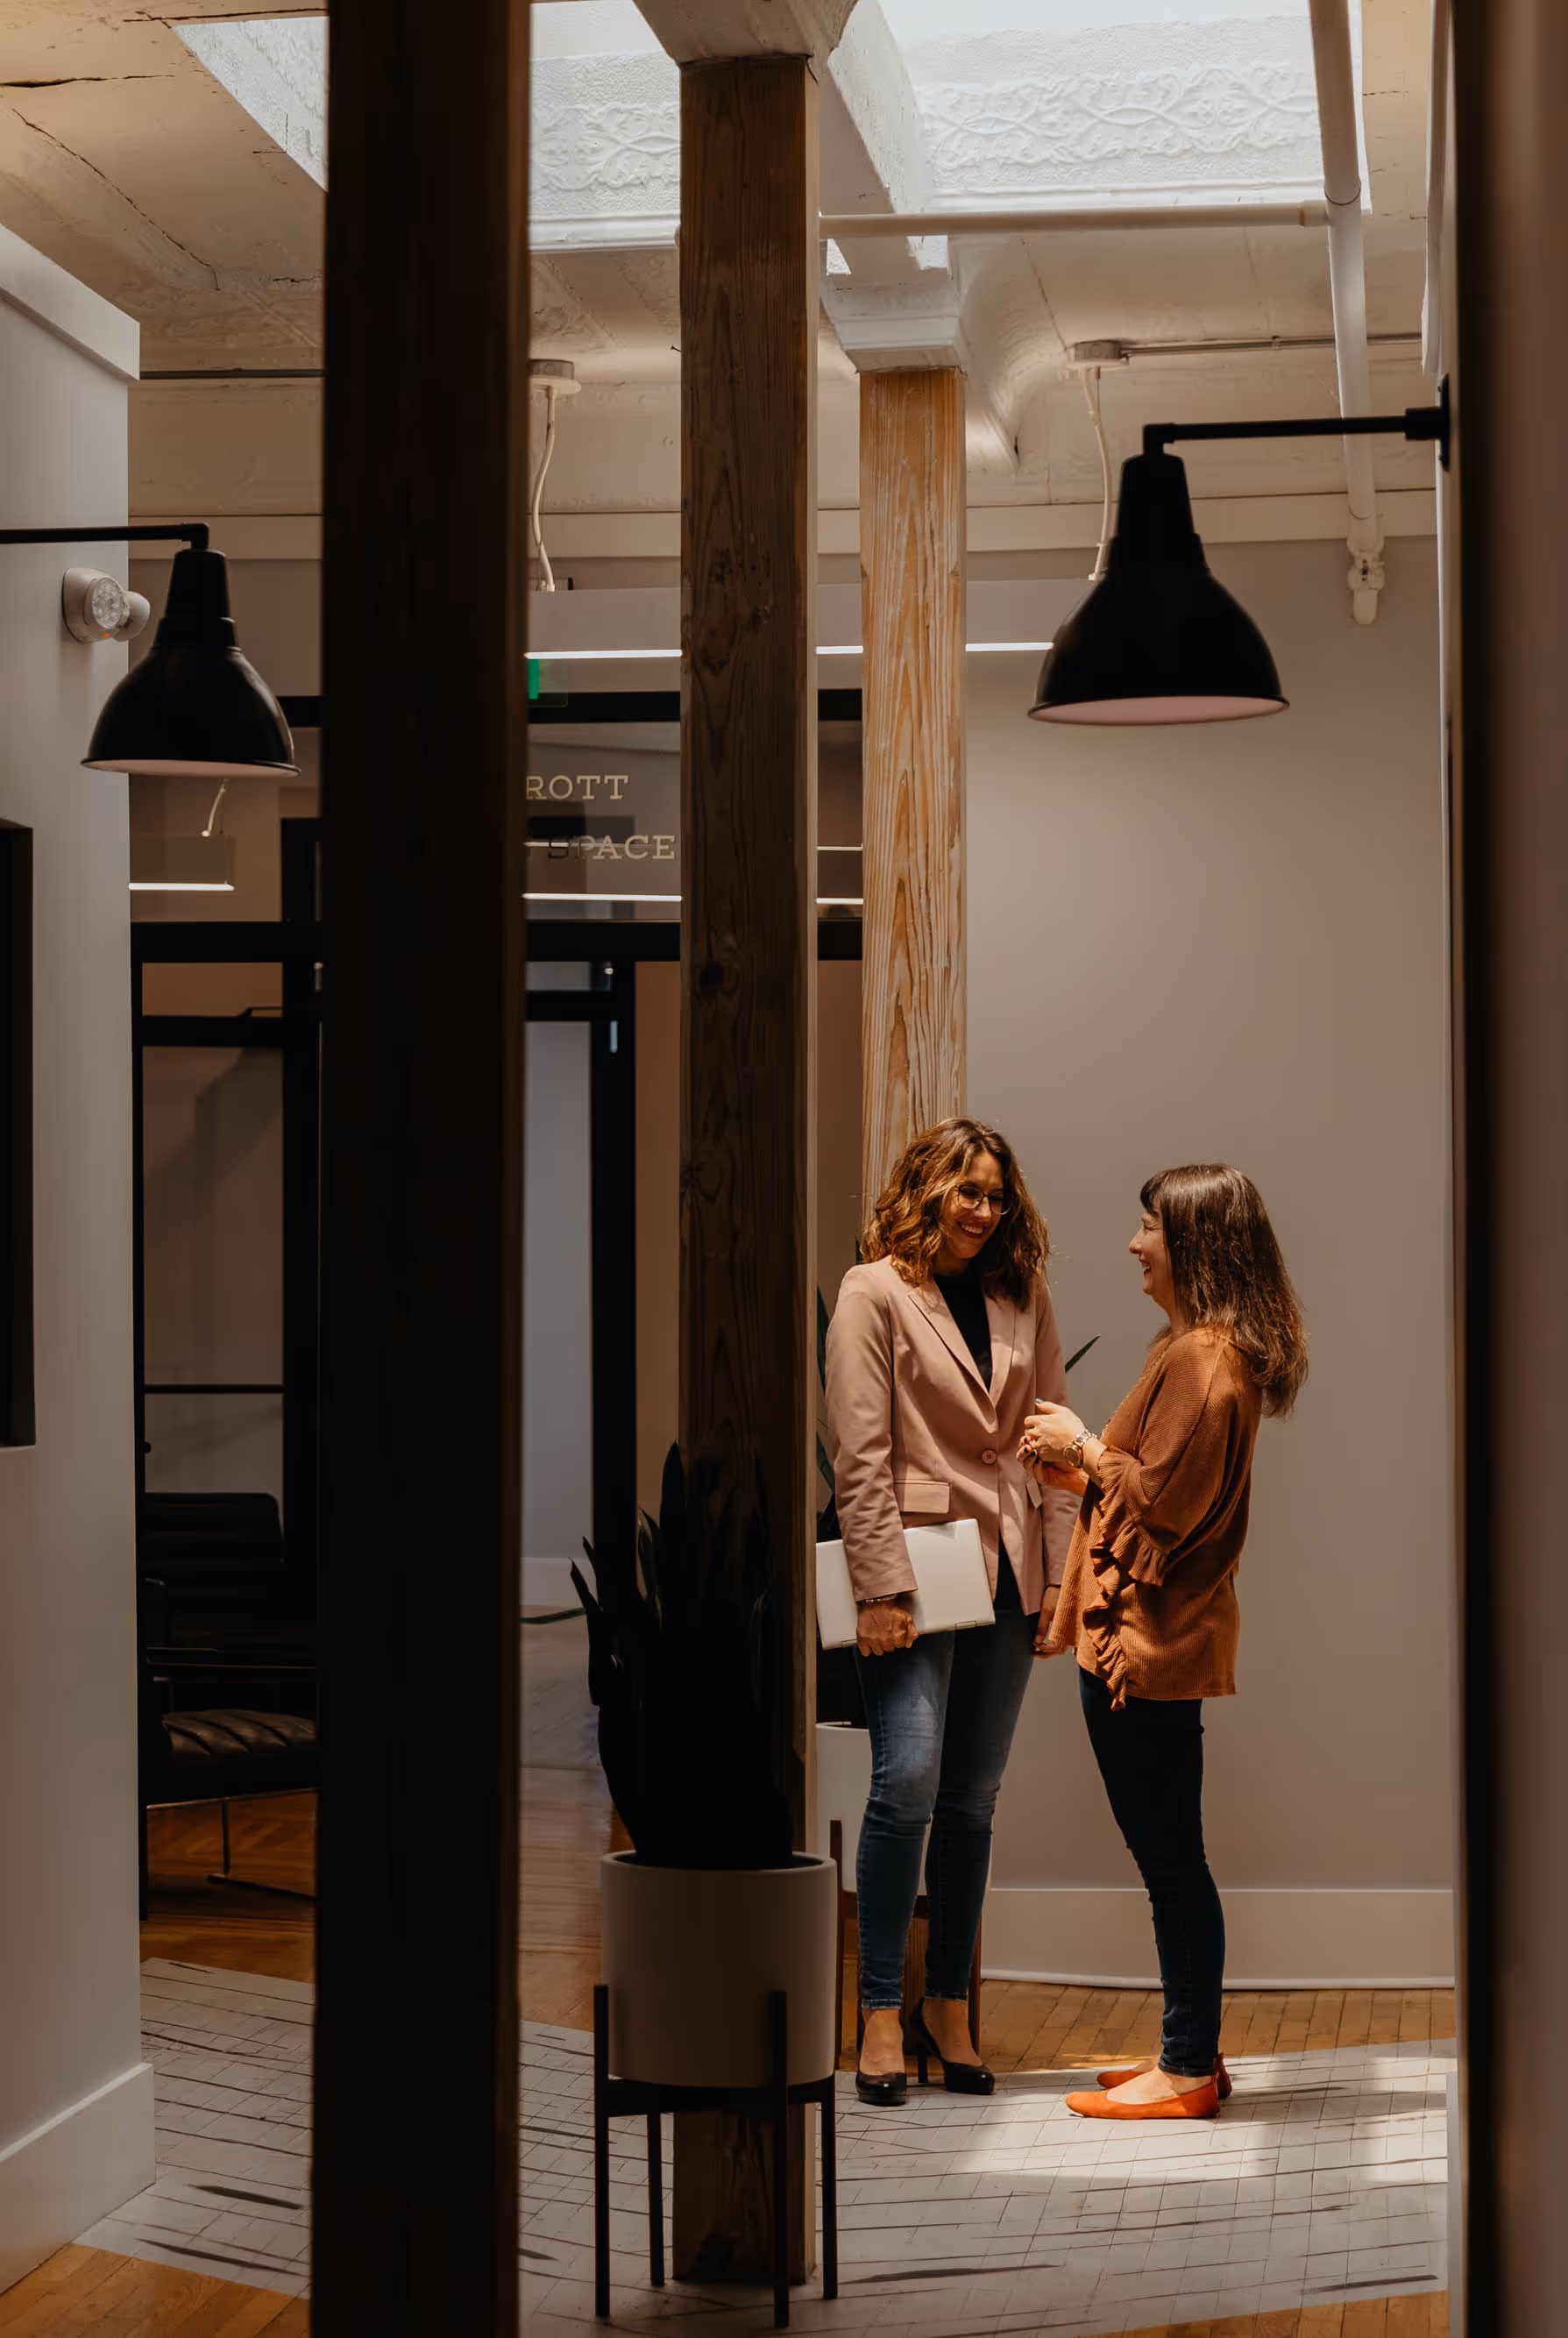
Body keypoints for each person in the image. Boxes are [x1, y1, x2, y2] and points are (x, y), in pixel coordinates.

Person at [1022, 1163, 1307, 2121]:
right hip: (1151, 1641)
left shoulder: (1202, 1361)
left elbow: (1157, 1503)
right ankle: (1191, 2050)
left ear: (1194, 1245)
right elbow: (1152, 1497)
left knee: (1171, 1865)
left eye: (1148, 1228)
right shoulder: (1200, 1351)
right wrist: (1085, 1475)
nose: (1135, 1245)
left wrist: (1078, 1446)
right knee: (1172, 1860)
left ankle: (1186, 2066)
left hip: (1144, 1649)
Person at [827, 1117, 1080, 2108]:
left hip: (1012, 1571)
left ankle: (949, 2008)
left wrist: (1059, 1576)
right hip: (919, 1572)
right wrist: (880, 1588)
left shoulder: (1024, 1294)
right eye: (965, 1191)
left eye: (995, 1194)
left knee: (972, 1797)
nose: (982, 1210)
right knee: (908, 1783)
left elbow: (1054, 1443)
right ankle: (880, 2010)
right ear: (924, 1189)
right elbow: (858, 1451)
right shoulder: (872, 1291)